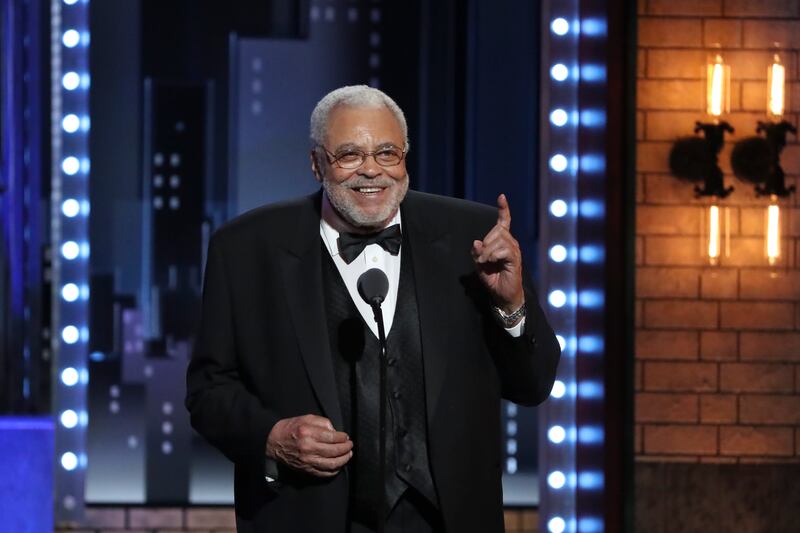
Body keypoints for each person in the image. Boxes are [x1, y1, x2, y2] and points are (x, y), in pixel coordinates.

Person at [186, 85, 560, 533]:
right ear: (316, 163)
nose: (371, 171)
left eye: (387, 153)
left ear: (406, 157)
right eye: (349, 155)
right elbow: (208, 392)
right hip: (309, 518)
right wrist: (272, 437)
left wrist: (511, 304)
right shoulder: (246, 249)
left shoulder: (473, 237)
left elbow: (533, 385)